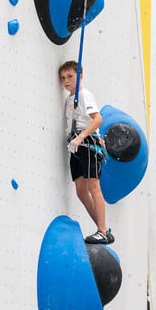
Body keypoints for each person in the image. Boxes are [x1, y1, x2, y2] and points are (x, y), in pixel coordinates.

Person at [58, 60, 114, 244]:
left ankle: (102, 230)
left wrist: (81, 137)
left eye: (70, 77)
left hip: (86, 143)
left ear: (80, 76)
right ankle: (102, 228)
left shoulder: (84, 95)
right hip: (75, 146)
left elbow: (97, 120)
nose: (66, 81)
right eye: (63, 78)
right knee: (81, 191)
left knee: (93, 186)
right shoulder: (69, 99)